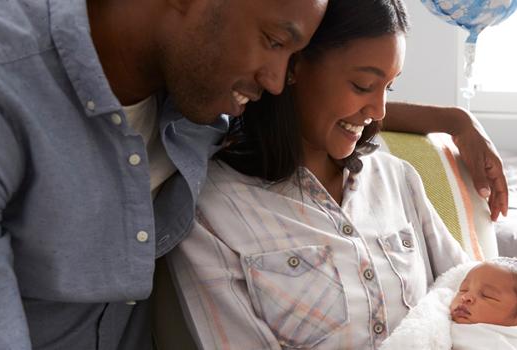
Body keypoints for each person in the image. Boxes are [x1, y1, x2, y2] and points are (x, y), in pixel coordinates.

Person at [0, 1, 507, 349]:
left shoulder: (200, 85)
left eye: (291, 54)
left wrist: (453, 120)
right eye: (275, 41)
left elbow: (315, 101)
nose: (274, 80)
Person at [167, 0, 473, 348]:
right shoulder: (214, 211)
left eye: (389, 88)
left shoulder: (395, 177)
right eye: (361, 85)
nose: (378, 111)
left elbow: (473, 288)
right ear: (293, 65)